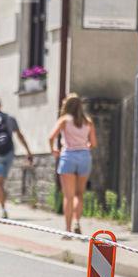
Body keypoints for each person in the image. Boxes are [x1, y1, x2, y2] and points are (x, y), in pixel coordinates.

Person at [49, 93, 97, 234]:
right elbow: (93, 143)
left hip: (68, 157)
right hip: (84, 157)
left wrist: (53, 149)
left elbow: (51, 137)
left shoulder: (64, 120)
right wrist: (84, 146)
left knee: (68, 196)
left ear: (67, 105)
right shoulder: (88, 121)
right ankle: (77, 222)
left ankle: (68, 229)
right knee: (79, 194)